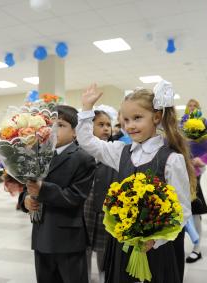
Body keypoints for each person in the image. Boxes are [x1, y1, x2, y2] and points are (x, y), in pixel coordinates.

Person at [77, 83, 194, 283]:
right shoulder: (120, 152)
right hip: (123, 245)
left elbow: (182, 210)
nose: (130, 125)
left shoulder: (171, 159)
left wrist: (156, 239)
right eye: (126, 120)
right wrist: (87, 108)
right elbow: (87, 142)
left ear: (156, 117)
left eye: (137, 118)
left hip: (158, 249)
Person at [5, 105, 96, 283]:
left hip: (68, 239)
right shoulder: (37, 154)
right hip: (41, 235)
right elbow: (27, 187)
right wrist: (26, 201)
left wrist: (43, 190)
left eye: (61, 125)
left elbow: (75, 197)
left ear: (76, 132)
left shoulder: (83, 158)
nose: (54, 130)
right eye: (51, 125)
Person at [84, 110, 117, 283]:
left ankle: (105, 275)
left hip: (106, 209)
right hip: (85, 207)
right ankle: (86, 277)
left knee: (105, 249)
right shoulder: (82, 153)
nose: (105, 128)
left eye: (108, 125)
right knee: (85, 248)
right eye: (101, 124)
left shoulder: (113, 152)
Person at [181, 99, 207, 264]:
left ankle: (197, 248)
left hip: (195, 173)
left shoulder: (204, 128)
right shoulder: (181, 126)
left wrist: (202, 161)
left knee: (196, 210)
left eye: (194, 106)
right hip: (180, 172)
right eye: (189, 105)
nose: (191, 108)